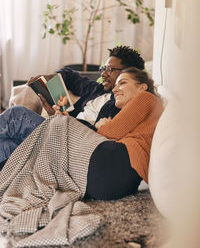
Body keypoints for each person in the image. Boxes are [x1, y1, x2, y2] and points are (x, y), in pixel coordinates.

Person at [0, 67, 163, 199]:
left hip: (110, 166)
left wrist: (102, 125)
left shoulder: (146, 98)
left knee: (16, 115)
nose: (115, 89)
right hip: (106, 177)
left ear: (142, 87)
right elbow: (104, 131)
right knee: (12, 146)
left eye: (122, 83)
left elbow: (109, 132)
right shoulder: (123, 109)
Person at [0, 46, 145, 165]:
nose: (104, 75)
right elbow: (69, 75)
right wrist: (51, 78)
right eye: (103, 69)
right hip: (60, 132)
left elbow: (99, 135)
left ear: (129, 73)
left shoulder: (125, 104)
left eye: (110, 70)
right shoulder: (97, 90)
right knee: (10, 145)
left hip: (72, 144)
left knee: (16, 115)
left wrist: (66, 121)